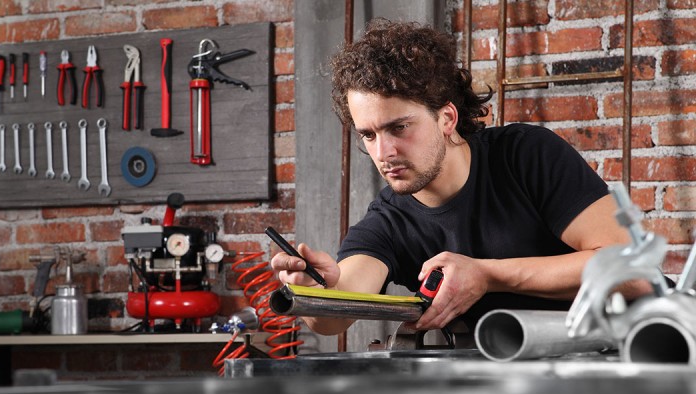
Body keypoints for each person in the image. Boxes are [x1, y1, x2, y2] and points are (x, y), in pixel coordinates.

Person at [271, 18, 641, 337]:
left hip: (649, 345)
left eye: (399, 127)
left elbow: (632, 269)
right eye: (368, 135)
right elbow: (337, 312)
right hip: (528, 379)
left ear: (447, 119)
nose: (383, 153)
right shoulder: (388, 221)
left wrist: (486, 275)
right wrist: (315, 293)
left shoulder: (525, 154)